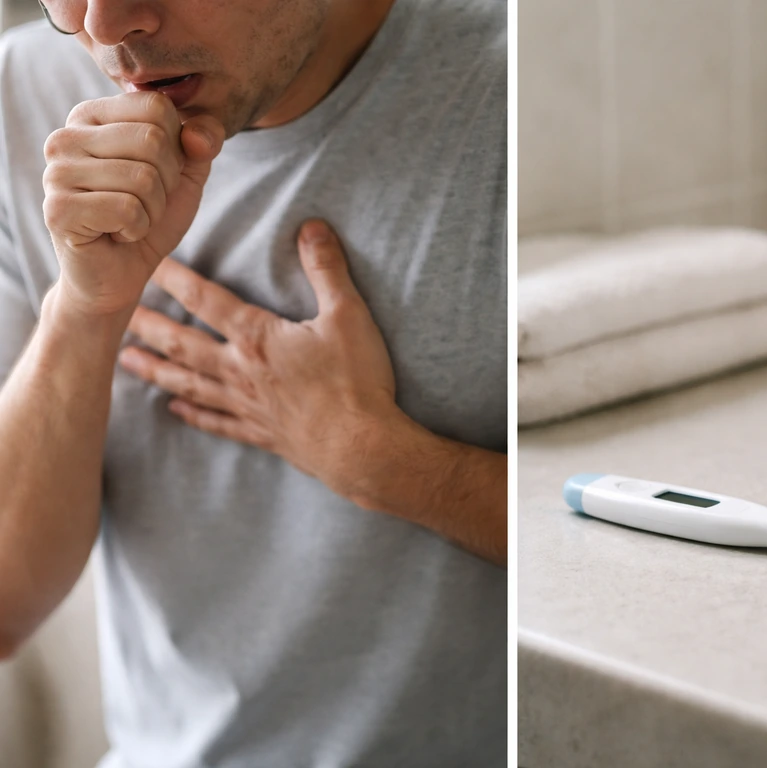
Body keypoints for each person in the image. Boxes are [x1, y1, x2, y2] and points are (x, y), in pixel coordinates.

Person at [0, 0, 507, 765]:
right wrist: (85, 308)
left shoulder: (507, 89)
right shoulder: (22, 92)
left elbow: (648, 563)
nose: (102, 28)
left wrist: (385, 463)